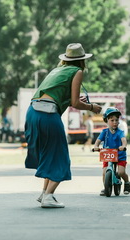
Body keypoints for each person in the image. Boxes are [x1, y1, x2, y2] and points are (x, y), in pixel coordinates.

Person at [25, 43, 102, 208]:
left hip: (32, 112)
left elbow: (62, 98)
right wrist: (91, 107)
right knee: (61, 157)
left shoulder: (57, 70)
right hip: (47, 115)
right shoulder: (77, 71)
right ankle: (48, 196)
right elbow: (76, 103)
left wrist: (73, 101)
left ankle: (44, 193)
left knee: (49, 154)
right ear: (82, 60)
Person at [93, 107, 130, 195]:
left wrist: (123, 146)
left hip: (120, 155)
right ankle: (105, 187)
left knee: (121, 172)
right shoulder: (104, 132)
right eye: (112, 120)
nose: (114, 122)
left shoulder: (120, 132)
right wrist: (96, 146)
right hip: (107, 154)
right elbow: (98, 141)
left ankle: (127, 182)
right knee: (104, 172)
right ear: (106, 120)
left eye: (116, 120)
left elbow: (124, 140)